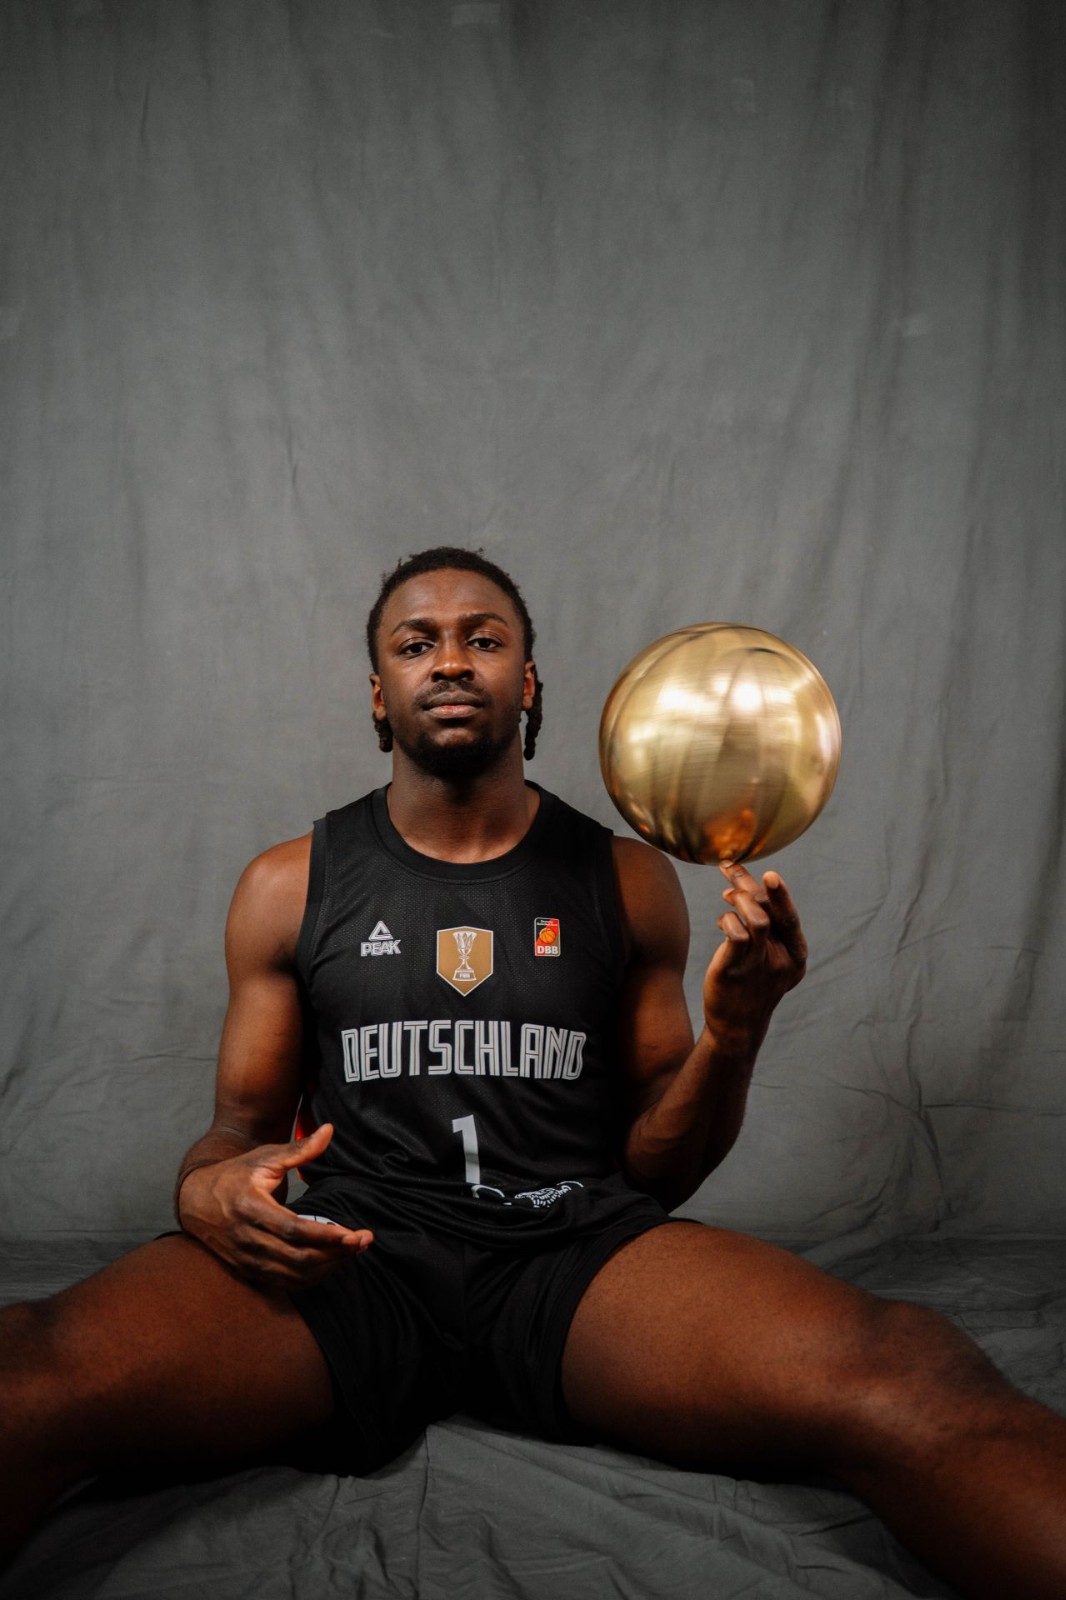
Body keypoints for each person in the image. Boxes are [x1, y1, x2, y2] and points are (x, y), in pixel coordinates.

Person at [2, 546, 1065, 1600]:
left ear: (529, 683)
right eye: (416, 643)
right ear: (379, 693)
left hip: (572, 1255)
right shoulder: (289, 885)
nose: (450, 660)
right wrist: (205, 1191)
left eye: (483, 638)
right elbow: (236, 1133)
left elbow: (658, 1169)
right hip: (355, 1254)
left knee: (904, 1370)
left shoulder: (627, 880)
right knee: (31, 1371)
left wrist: (734, 1034)